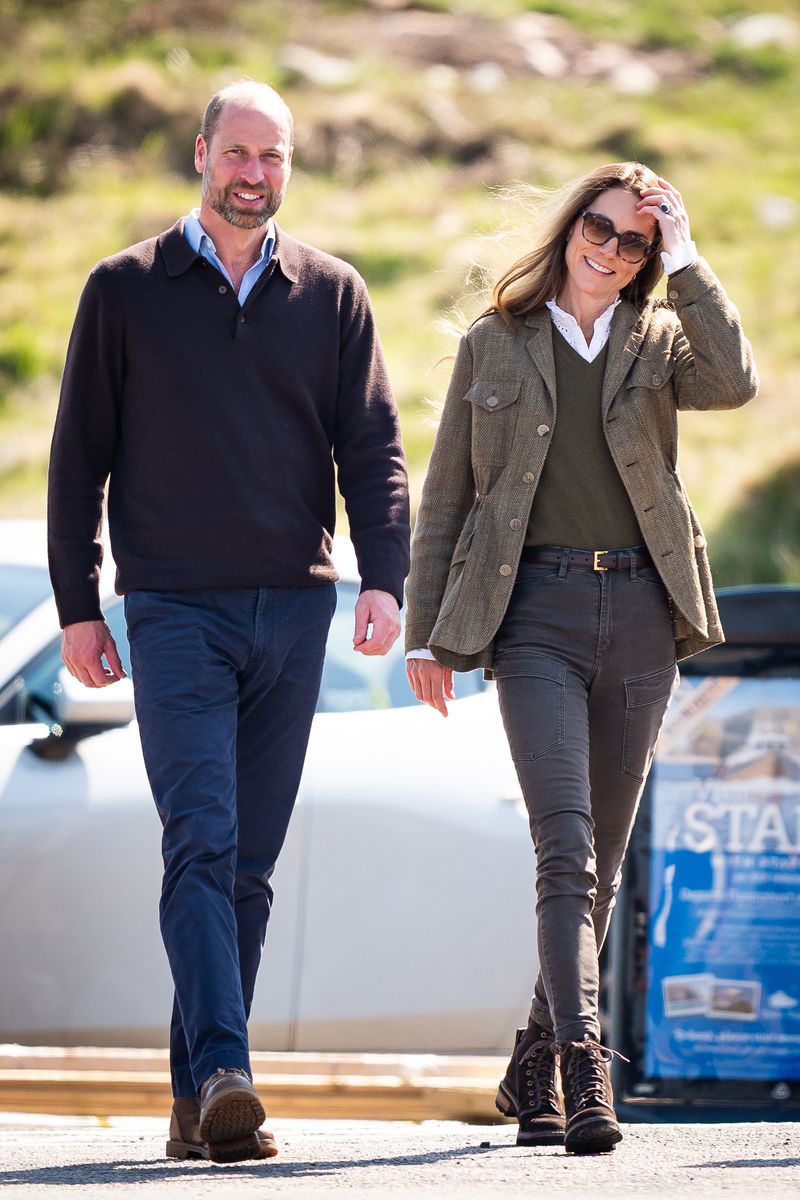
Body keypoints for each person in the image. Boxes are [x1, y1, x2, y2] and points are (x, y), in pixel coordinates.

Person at [48, 81, 410, 1163]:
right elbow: (77, 465)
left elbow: (373, 452)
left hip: (295, 608)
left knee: (247, 861)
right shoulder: (123, 290)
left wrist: (382, 578)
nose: (254, 173)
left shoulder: (333, 295)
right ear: (201, 153)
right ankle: (224, 1071)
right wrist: (78, 606)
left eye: (273, 156)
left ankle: (191, 1099)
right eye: (237, 152)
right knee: (199, 840)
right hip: (171, 610)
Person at [404, 162, 757, 1154]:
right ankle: (582, 1069)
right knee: (562, 847)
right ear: (568, 230)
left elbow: (736, 382)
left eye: (631, 241)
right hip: (533, 619)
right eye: (595, 229)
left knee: (598, 863)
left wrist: (686, 256)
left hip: (643, 611)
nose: (607, 249)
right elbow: (445, 500)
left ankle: (531, 1056)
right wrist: (428, 630)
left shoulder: (657, 339)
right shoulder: (492, 343)